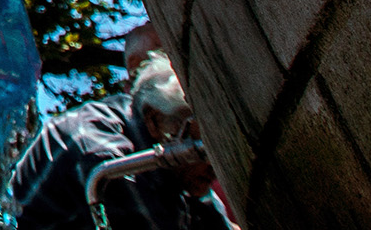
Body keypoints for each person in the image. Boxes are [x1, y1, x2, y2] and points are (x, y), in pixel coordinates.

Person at [12, 51, 235, 230]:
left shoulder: (179, 171)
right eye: (204, 148)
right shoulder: (98, 146)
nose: (215, 165)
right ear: (155, 121)